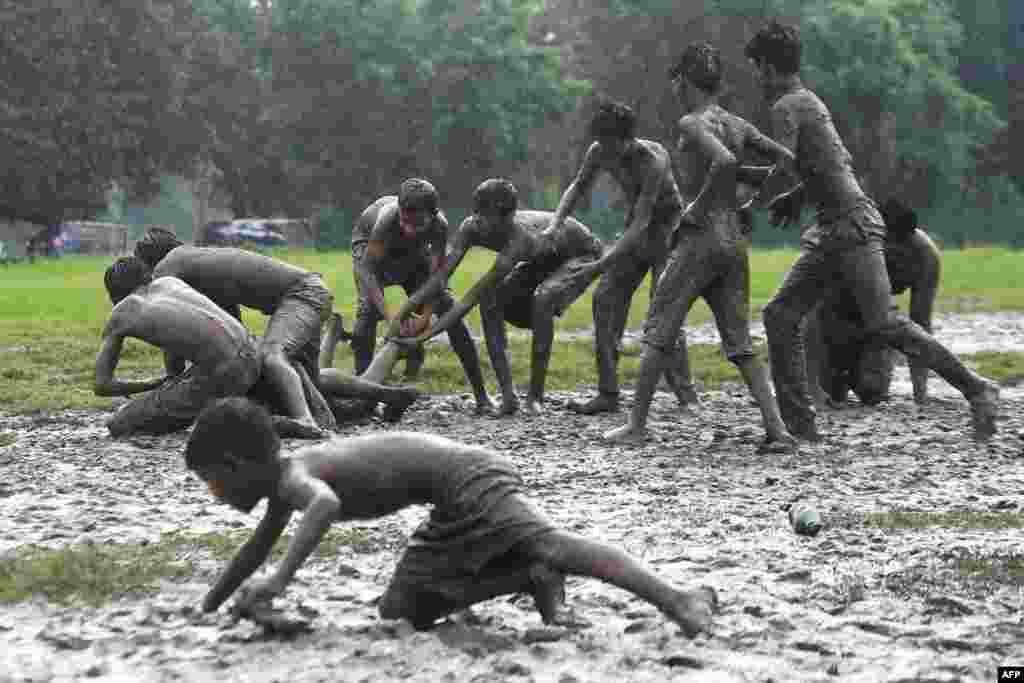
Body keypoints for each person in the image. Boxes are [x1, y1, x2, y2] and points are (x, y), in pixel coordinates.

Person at [186, 396, 718, 636]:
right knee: (401, 612)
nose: (214, 495)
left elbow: (325, 505)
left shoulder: (293, 479)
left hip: (466, 478)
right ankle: (526, 575)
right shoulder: (281, 485)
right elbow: (254, 549)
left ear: (238, 466)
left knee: (553, 544)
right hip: (450, 497)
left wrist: (279, 580)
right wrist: (210, 606)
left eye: (214, 482)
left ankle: (678, 599)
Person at [746, 21, 998, 440]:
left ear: (768, 66)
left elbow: (786, 160)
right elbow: (831, 165)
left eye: (756, 67)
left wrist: (740, 173)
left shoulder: (786, 107)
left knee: (884, 324)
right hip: (837, 225)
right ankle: (798, 426)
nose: (757, 77)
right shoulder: (810, 100)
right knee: (781, 314)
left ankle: (977, 388)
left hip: (851, 226)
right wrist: (795, 195)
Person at [604, 43, 796, 449]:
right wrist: (750, 201)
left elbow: (724, 163)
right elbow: (784, 159)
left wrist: (695, 208)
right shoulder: (738, 123)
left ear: (683, 81)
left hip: (700, 238)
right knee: (740, 341)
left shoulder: (692, 123)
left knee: (658, 329)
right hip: (734, 242)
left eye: (675, 80)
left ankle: (636, 426)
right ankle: (777, 429)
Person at [98, 258, 420, 437]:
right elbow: (214, 324)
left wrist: (153, 385)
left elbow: (103, 384)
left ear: (117, 295)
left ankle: (304, 419)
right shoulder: (171, 282)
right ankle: (328, 408)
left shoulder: (124, 310)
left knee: (119, 424)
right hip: (251, 351)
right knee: (312, 382)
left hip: (230, 366)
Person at [391, 179, 603, 415]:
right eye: (476, 213)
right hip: (541, 258)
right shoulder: (470, 228)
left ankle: (535, 397)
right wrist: (405, 310)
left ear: (507, 218)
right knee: (490, 301)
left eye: (486, 216)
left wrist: (423, 337)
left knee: (543, 298)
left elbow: (469, 299)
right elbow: (441, 276)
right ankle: (508, 395)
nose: (479, 221)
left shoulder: (519, 240)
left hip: (581, 253)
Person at [544, 100, 694, 415]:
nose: (604, 150)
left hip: (668, 230)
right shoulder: (598, 150)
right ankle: (608, 393)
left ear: (628, 139)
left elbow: (643, 222)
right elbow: (578, 186)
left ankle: (685, 395)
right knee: (605, 299)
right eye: (600, 141)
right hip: (635, 229)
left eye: (611, 143)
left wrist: (597, 266)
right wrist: (556, 222)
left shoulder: (653, 160)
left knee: (663, 309)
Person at [134, 227, 334, 435]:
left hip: (303, 294)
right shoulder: (202, 267)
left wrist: (172, 378)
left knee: (272, 355)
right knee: (310, 382)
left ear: (148, 263)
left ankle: (305, 420)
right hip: (311, 290)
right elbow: (235, 337)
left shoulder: (167, 267)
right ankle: (353, 402)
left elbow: (169, 324)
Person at [351, 179, 494, 414]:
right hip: (372, 250)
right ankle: (364, 396)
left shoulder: (439, 227)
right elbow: (368, 270)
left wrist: (425, 315)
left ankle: (481, 395)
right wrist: (389, 316)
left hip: (414, 254)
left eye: (417, 224)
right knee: (367, 311)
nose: (409, 229)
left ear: (433, 215)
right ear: (399, 211)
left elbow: (437, 278)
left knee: (449, 307)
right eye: (404, 221)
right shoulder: (387, 220)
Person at [805, 199, 941, 407]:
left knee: (873, 392)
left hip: (877, 322)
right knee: (833, 395)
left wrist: (920, 394)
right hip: (833, 318)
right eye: (885, 241)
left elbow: (921, 323)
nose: (889, 248)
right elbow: (813, 313)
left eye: (897, 243)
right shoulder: (848, 241)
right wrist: (813, 387)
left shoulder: (925, 256)